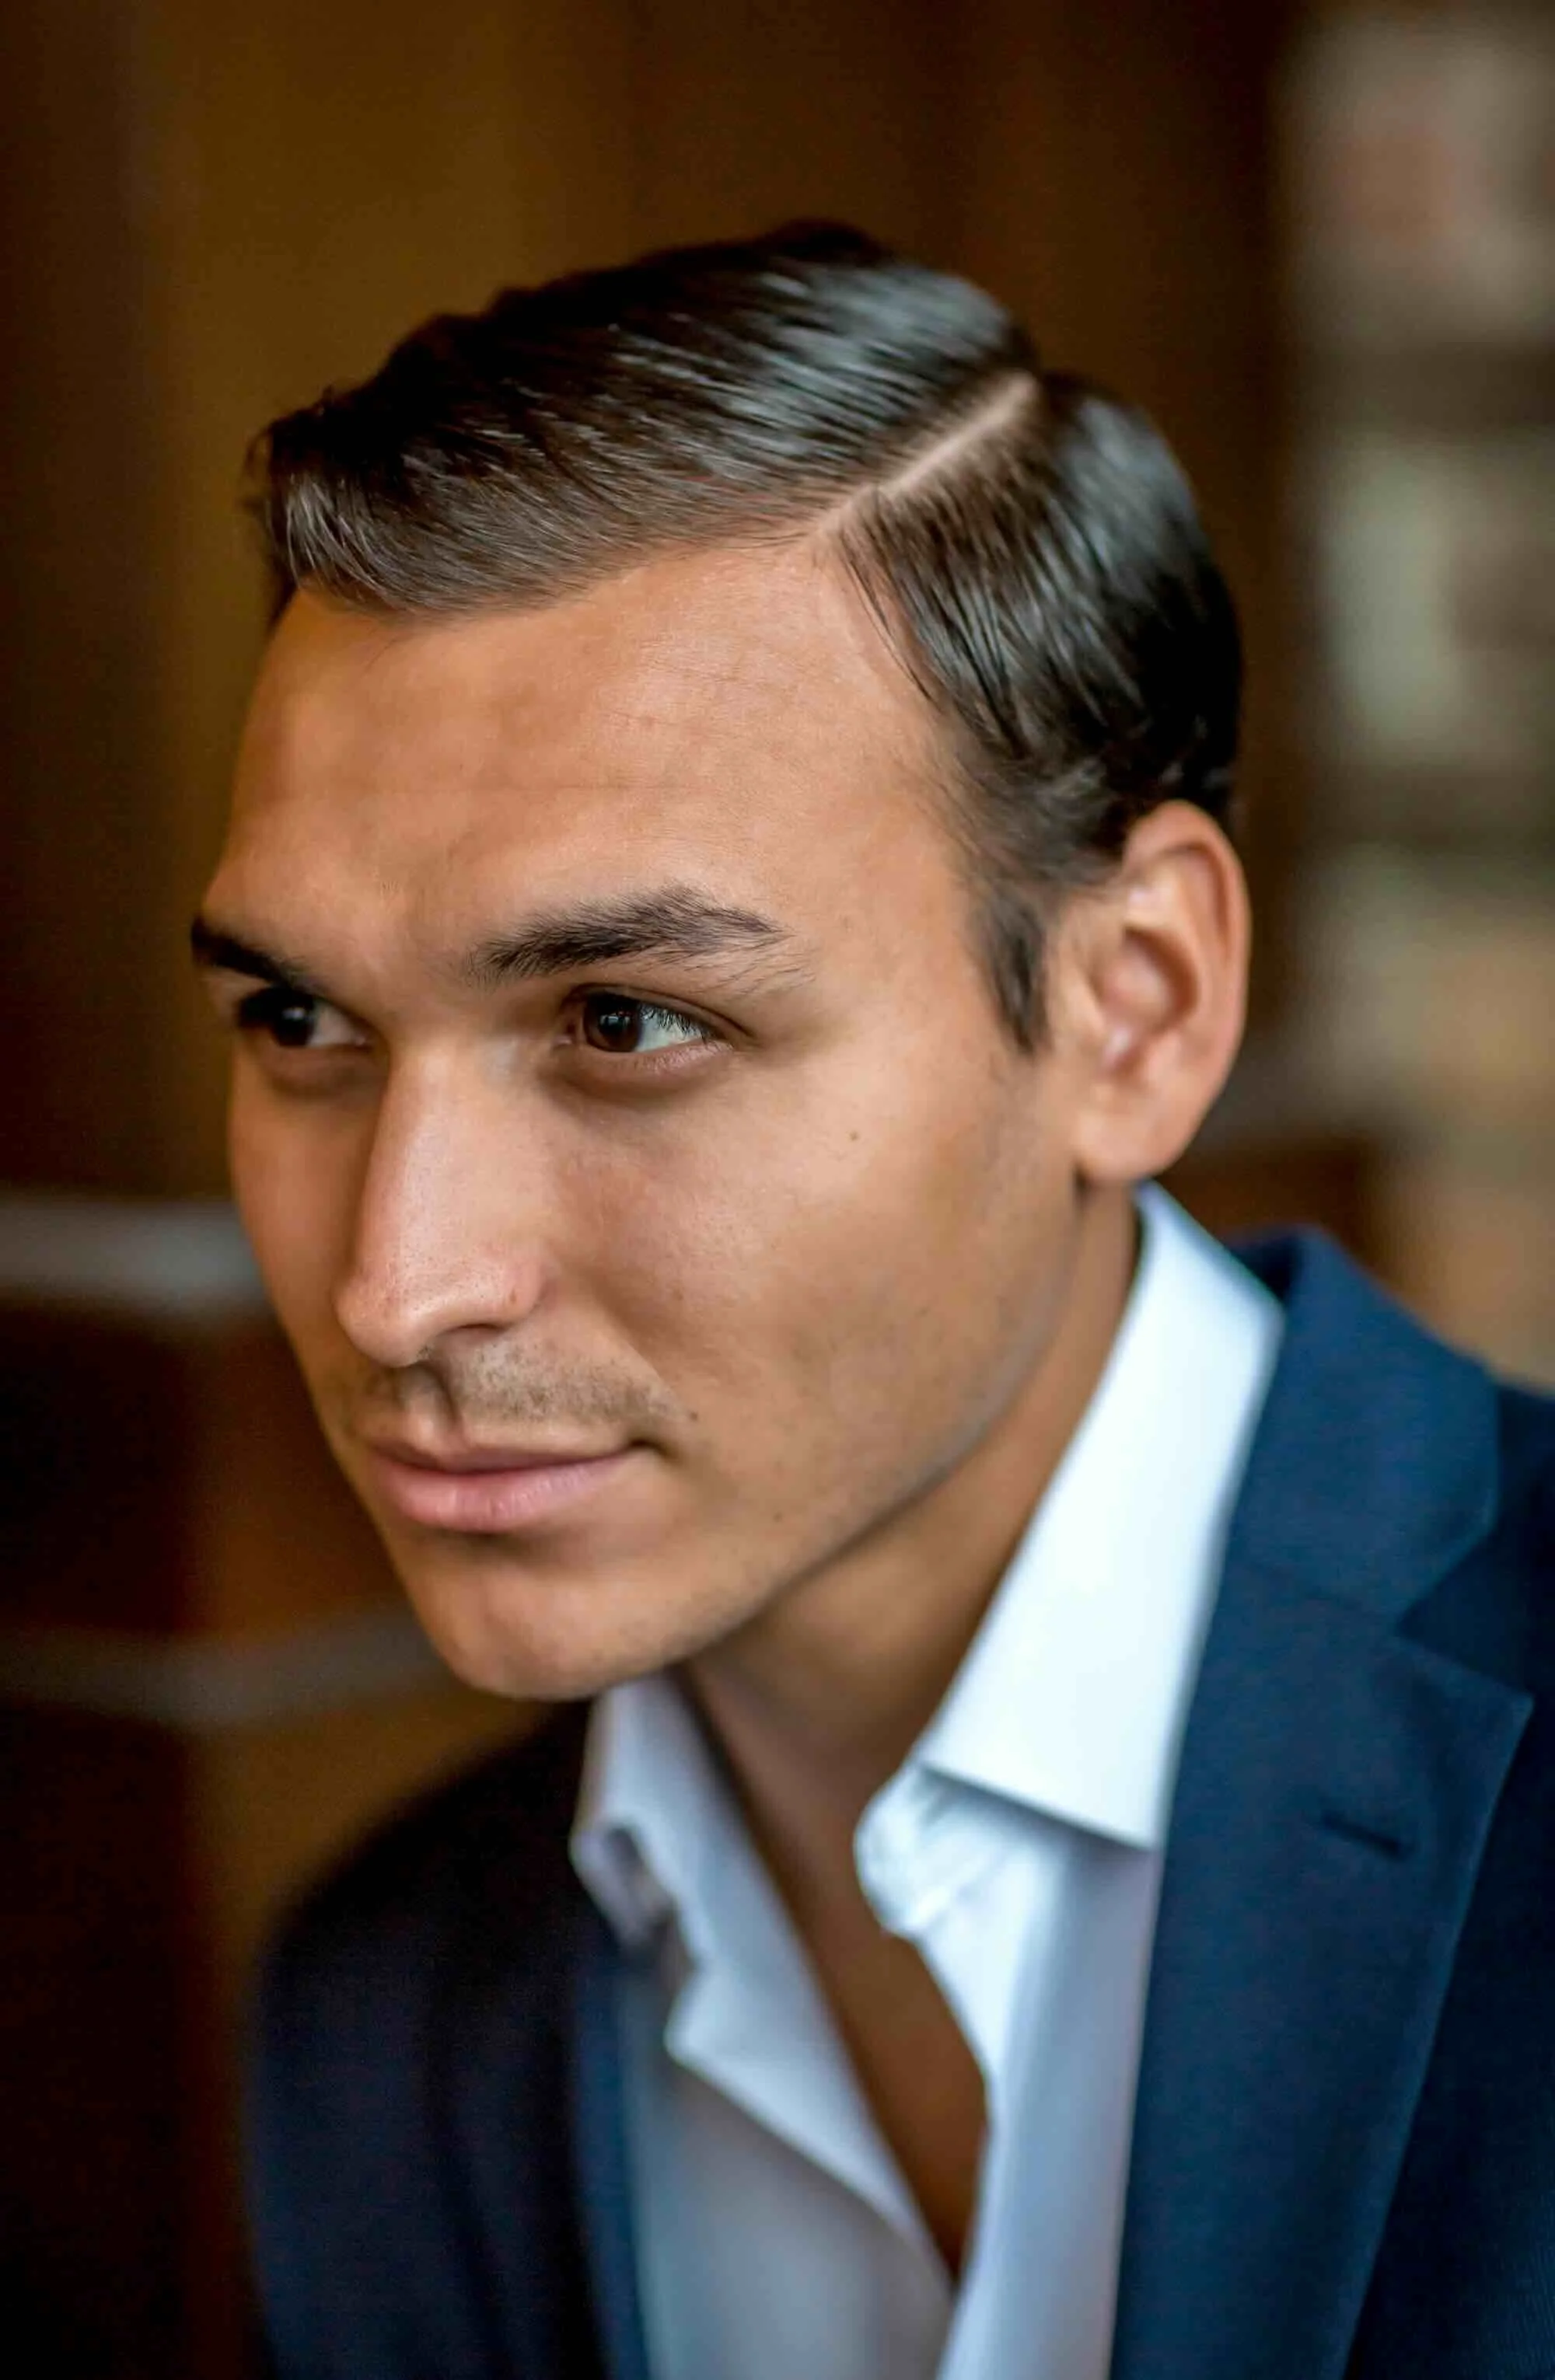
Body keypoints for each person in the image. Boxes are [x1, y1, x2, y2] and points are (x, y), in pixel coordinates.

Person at [194, 225, 1554, 2380]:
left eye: (626, 1022)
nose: (397, 1278)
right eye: (299, 1016)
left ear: (1137, 1009)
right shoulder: (380, 2014)